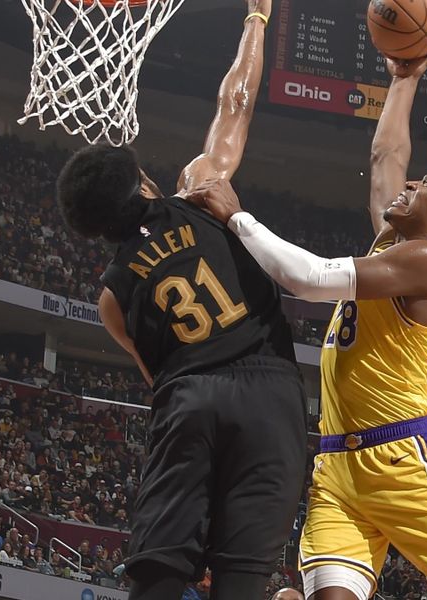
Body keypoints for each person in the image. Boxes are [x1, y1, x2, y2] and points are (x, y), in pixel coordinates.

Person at [198, 47, 427, 600]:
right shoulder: (393, 240)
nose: (411, 185)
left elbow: (310, 279)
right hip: (337, 463)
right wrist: (405, 80)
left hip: (401, 456)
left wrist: (237, 216)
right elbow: (387, 153)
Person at [54, 2, 306, 599]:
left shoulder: (110, 298)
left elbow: (156, 377)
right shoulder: (200, 190)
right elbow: (235, 103)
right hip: (268, 391)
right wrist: (256, 20)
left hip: (187, 395)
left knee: (159, 570)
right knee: (244, 577)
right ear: (144, 185)